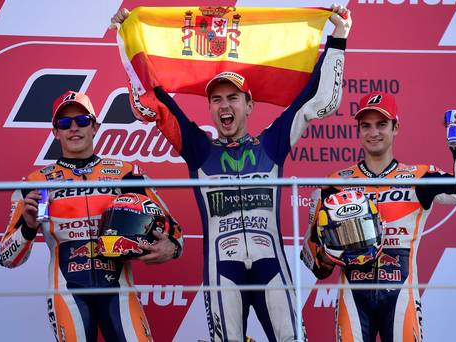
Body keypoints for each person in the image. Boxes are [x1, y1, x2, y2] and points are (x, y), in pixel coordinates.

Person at [112, 4, 352, 341]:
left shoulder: (272, 143)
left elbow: (313, 98)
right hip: (222, 273)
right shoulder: (199, 149)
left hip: (273, 269)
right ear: (209, 108)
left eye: (233, 98)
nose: (225, 106)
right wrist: (128, 40)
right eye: (217, 100)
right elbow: (157, 101)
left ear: (249, 105)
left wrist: (338, 36)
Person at [0, 91, 184, 341]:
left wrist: (171, 248)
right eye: (64, 123)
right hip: (68, 293)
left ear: (95, 126)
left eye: (82, 121)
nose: (73, 128)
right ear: (55, 132)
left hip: (119, 291)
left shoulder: (126, 175)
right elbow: (8, 258)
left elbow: (173, 231)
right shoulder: (39, 183)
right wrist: (30, 227)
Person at [301, 91, 456, 342]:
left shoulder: (420, 177)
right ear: (358, 130)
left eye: (382, 124)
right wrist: (330, 252)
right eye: (365, 126)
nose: (373, 132)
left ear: (396, 127)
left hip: (402, 295)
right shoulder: (335, 183)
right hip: (352, 295)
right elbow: (315, 263)